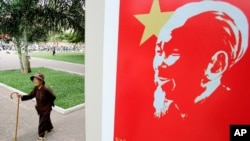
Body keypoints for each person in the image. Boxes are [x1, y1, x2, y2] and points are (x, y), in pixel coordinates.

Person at [152, 1, 249, 119]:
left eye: (173, 53)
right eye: (159, 51)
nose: (159, 64)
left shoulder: (237, 114)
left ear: (217, 65)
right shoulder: (166, 115)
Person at [19, 73, 56, 141]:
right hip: (40, 109)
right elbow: (31, 95)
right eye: (34, 80)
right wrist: (22, 97)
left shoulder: (46, 89)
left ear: (41, 81)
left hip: (46, 109)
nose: (34, 81)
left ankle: (41, 137)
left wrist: (48, 104)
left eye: (36, 80)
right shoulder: (36, 88)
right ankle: (50, 128)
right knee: (45, 119)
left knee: (42, 122)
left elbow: (53, 97)